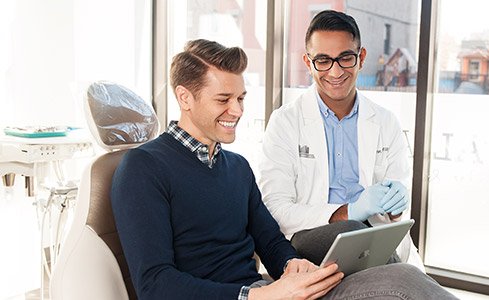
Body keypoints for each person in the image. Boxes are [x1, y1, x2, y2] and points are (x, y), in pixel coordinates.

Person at [111, 39, 457, 299]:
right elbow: (154, 284)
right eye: (223, 99)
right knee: (398, 286)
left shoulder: (236, 167)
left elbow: (272, 241)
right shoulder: (143, 168)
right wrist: (257, 296)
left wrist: (292, 266)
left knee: (396, 276)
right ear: (185, 97)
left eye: (241, 98)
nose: (237, 110)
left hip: (267, 291)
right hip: (247, 297)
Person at [258, 9, 424, 269]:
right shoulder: (285, 122)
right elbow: (275, 210)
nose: (335, 72)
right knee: (366, 243)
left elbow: (395, 211)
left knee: (389, 270)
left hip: (373, 236)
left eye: (345, 58)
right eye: (323, 60)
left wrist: (395, 206)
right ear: (307, 62)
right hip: (311, 236)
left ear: (361, 58)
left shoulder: (385, 121)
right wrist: (348, 211)